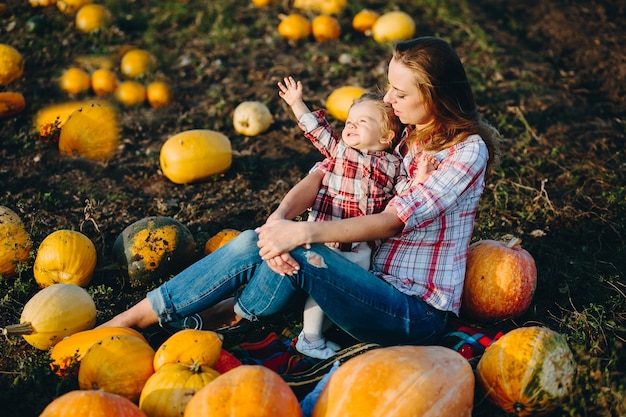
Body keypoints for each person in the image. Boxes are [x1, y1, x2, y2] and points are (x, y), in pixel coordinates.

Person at [100, 36, 501, 354]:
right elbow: (324, 173)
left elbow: (395, 218)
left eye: (399, 93)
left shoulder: (466, 151)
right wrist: (278, 222)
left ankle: (226, 314)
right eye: (389, 89)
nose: (388, 101)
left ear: (434, 96)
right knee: (257, 239)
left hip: (412, 311)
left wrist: (301, 234)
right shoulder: (401, 133)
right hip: (360, 277)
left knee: (297, 248)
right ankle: (138, 318)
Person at [276, 76, 435, 359]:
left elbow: (403, 197)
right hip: (325, 237)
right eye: (350, 120)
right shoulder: (340, 152)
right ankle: (310, 338)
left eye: (362, 122)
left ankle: (317, 331)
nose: (350, 125)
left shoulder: (393, 166)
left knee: (342, 292)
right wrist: (297, 103)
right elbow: (317, 131)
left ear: (386, 137)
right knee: (325, 284)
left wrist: (420, 178)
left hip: (361, 246)